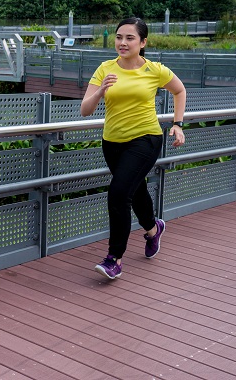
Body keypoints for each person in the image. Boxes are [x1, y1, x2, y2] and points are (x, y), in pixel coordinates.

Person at [80, 17, 186, 280]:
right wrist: (100, 91)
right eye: (119, 37)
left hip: (145, 139)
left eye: (129, 38)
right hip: (112, 142)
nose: (122, 43)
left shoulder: (155, 70)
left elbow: (179, 90)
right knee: (134, 191)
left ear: (143, 42)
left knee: (118, 194)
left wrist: (178, 123)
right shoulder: (104, 69)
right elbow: (85, 110)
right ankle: (152, 229)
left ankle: (114, 259)